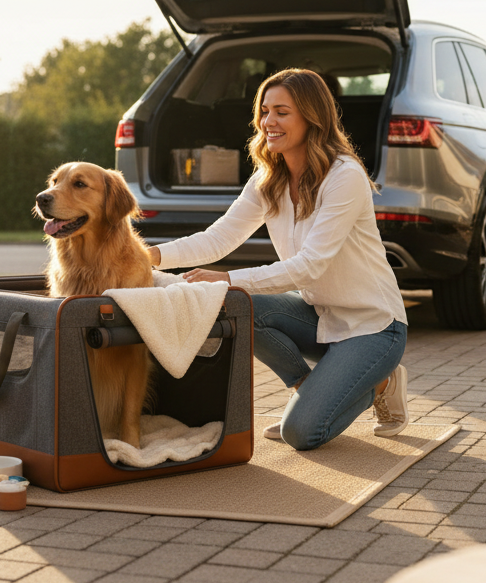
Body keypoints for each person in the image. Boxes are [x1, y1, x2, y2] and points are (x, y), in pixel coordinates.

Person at [148, 68, 409, 450]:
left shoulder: (344, 176)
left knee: (301, 434)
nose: (268, 122)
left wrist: (227, 279)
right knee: (229, 306)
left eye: (282, 112)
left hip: (374, 327)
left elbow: (309, 265)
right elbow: (219, 238)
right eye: (265, 111)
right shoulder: (268, 177)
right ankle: (308, 386)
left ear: (312, 117)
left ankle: (382, 381)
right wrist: (151, 256)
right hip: (321, 317)